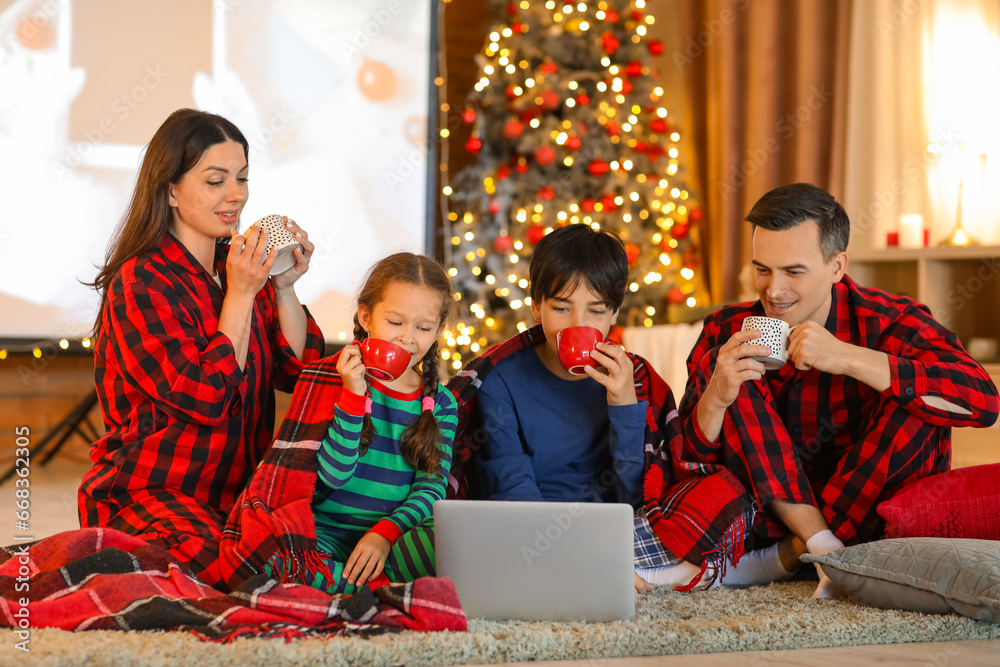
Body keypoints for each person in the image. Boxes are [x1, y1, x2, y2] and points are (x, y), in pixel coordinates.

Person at [678, 183, 1000, 597]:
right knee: (727, 371)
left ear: (837, 266)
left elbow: (982, 401)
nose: (773, 291)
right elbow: (687, 459)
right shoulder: (726, 328)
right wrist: (716, 396)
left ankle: (799, 551)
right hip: (765, 516)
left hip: (871, 516)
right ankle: (826, 548)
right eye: (762, 269)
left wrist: (847, 357)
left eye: (794, 271)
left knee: (916, 396)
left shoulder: (889, 320)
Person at [79, 108, 325, 589]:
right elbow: (206, 394)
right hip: (148, 490)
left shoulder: (238, 269)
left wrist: (284, 288)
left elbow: (303, 372)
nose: (235, 195)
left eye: (242, 178)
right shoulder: (141, 281)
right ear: (170, 190)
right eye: (216, 180)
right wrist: (240, 294)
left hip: (237, 494)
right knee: (232, 578)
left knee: (304, 567)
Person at [446, 224, 756, 594]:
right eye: (561, 308)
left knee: (726, 492)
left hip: (619, 530)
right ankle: (665, 573)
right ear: (536, 308)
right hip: (530, 531)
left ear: (613, 315)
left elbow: (638, 497)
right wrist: (556, 550)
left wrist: (625, 406)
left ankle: (606, 572)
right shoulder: (500, 378)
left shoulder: (636, 378)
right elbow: (512, 491)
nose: (579, 324)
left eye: (596, 311)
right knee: (472, 539)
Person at [219, 253, 459, 595]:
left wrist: (384, 534)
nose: (407, 338)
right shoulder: (325, 377)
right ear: (366, 316)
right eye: (394, 322)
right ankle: (380, 589)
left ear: (438, 331)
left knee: (451, 536)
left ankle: (353, 584)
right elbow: (333, 474)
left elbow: (430, 489)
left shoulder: (441, 404)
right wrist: (353, 395)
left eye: (423, 328)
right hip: (321, 538)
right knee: (264, 553)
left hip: (391, 541)